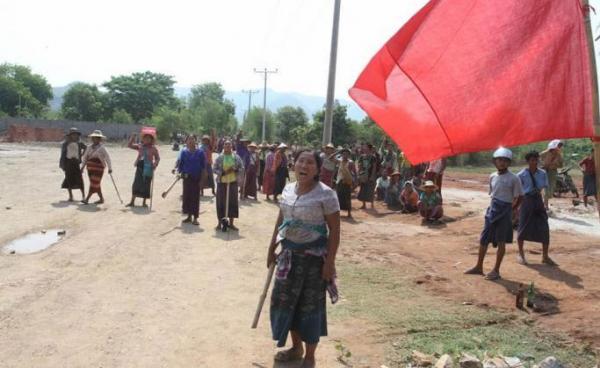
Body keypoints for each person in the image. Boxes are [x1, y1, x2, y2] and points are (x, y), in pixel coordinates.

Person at [267, 149, 341, 368]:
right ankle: (296, 347)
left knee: (309, 307)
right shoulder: (288, 189)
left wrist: (330, 263)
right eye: (301, 161)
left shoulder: (326, 194)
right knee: (286, 303)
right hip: (288, 258)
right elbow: (281, 218)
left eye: (310, 163)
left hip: (313, 261)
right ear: (294, 164)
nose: (304, 166)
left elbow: (335, 230)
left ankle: (309, 355)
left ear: (317, 169)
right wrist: (271, 247)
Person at [465, 147, 524, 281]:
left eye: (505, 160)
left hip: (505, 211)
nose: (502, 163)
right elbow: (493, 195)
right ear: (494, 162)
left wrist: (513, 209)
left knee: (501, 241)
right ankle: (478, 266)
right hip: (492, 210)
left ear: (509, 163)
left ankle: (496, 270)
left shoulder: (514, 178)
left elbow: (520, 196)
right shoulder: (492, 176)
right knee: (484, 238)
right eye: (499, 160)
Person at [516, 151, 556, 266]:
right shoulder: (521, 175)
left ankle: (545, 256)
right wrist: (515, 206)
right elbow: (518, 192)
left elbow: (543, 188)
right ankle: (521, 254)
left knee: (544, 227)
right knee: (523, 227)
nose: (534, 162)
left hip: (538, 200)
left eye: (536, 160)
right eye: (532, 160)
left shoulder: (542, 173)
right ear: (527, 161)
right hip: (526, 201)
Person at [213, 140, 244, 231]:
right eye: (225, 145)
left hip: (232, 183)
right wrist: (222, 172)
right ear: (223, 147)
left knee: (232, 203)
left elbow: (242, 167)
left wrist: (235, 169)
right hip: (222, 184)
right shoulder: (220, 157)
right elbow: (214, 168)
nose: (227, 147)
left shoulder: (236, 157)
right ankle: (219, 223)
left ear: (232, 147)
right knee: (220, 203)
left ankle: (231, 224)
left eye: (229, 145)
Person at [126, 133, 160, 208]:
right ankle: (132, 202)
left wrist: (155, 164)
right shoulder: (140, 146)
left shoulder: (153, 148)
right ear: (143, 139)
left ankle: (144, 203)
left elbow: (158, 158)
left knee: (146, 185)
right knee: (136, 184)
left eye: (149, 138)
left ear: (151, 140)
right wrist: (132, 138)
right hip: (140, 167)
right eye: (145, 138)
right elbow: (129, 145)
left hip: (148, 168)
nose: (147, 140)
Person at [177, 135, 206, 225]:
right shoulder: (184, 152)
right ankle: (189, 216)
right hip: (186, 178)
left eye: (192, 139)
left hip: (196, 178)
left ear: (195, 141)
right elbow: (180, 164)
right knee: (187, 197)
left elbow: (203, 167)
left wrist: (202, 180)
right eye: (189, 140)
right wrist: (179, 172)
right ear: (186, 141)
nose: (190, 141)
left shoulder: (200, 152)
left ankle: (195, 218)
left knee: (195, 198)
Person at [81, 130, 112, 205]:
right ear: (92, 139)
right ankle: (101, 199)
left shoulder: (102, 148)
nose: (95, 139)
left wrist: (110, 168)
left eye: (97, 138)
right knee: (95, 183)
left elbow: (107, 158)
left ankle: (87, 199)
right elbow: (85, 157)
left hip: (99, 168)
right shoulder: (89, 147)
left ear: (100, 139)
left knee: (94, 183)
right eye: (94, 138)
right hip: (90, 168)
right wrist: (82, 167)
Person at [59, 127, 86, 202]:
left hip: (76, 163)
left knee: (79, 179)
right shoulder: (65, 144)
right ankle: (71, 196)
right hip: (68, 162)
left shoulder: (80, 143)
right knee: (68, 179)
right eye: (73, 134)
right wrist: (62, 165)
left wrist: (82, 155)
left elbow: (86, 148)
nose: (75, 136)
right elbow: (62, 154)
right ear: (70, 135)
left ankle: (83, 196)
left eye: (76, 134)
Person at [540, 139, 564, 210]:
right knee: (546, 188)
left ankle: (544, 202)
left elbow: (561, 165)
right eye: (558, 145)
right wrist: (543, 165)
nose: (559, 147)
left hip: (553, 172)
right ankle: (545, 206)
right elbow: (537, 159)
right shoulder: (545, 153)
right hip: (544, 171)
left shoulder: (559, 155)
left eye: (560, 146)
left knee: (551, 189)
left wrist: (554, 165)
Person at [335, 148, 356, 218]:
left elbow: (354, 172)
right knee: (339, 196)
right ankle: (338, 212)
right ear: (341, 154)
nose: (345, 155)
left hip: (347, 181)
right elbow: (330, 158)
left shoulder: (351, 162)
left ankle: (349, 212)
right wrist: (337, 151)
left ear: (349, 155)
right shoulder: (339, 161)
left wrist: (354, 181)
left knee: (347, 197)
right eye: (343, 154)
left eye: (346, 154)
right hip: (339, 180)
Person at [357, 143, 377, 209]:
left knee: (371, 189)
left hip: (370, 174)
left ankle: (372, 204)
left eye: (366, 147)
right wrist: (359, 174)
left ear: (370, 149)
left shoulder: (373, 157)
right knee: (363, 189)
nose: (364, 149)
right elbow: (359, 165)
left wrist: (372, 176)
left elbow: (374, 167)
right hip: (363, 175)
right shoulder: (362, 157)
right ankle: (364, 204)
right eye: (364, 147)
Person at [236, 132, 252, 199]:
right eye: (244, 142)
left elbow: (248, 161)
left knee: (243, 182)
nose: (245, 143)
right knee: (236, 181)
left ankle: (241, 195)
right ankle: (234, 195)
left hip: (244, 168)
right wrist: (239, 135)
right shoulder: (239, 148)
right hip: (237, 167)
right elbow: (237, 142)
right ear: (242, 143)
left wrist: (248, 167)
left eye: (246, 143)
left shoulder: (247, 151)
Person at [200, 132, 216, 196]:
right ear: (202, 140)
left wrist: (213, 134)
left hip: (208, 164)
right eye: (204, 140)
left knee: (211, 177)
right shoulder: (200, 147)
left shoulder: (210, 147)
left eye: (206, 140)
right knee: (202, 178)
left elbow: (214, 141)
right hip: (202, 165)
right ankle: (202, 192)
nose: (205, 141)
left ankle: (213, 191)